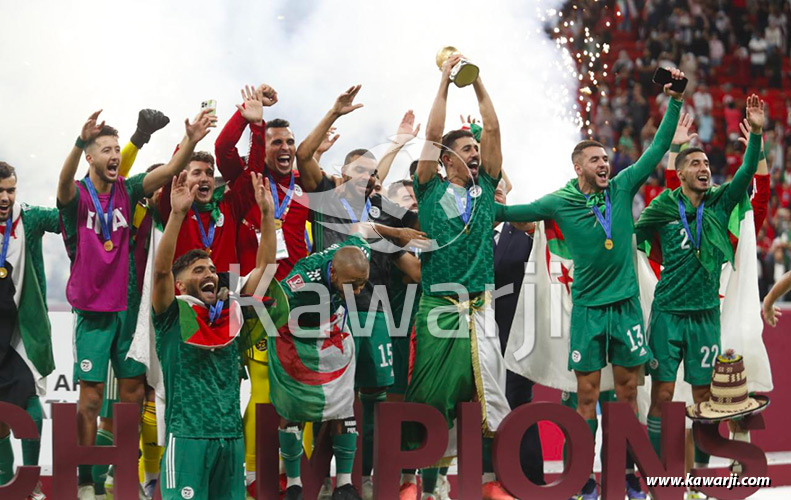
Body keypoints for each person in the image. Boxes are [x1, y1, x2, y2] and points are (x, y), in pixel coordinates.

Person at [498, 69, 686, 499]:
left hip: (626, 309)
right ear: (578, 166)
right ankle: (581, 481)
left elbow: (657, 150)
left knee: (626, 396)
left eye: (606, 159)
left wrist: (674, 101)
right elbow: (508, 213)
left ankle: (623, 478)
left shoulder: (621, 188)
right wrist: (477, 194)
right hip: (586, 311)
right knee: (584, 398)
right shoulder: (558, 202)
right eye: (596, 160)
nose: (605, 164)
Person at [56, 109, 215, 499]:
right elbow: (62, 184)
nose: (114, 155)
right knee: (91, 398)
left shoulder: (128, 191)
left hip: (128, 310)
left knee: (131, 396)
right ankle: (85, 481)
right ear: (90, 157)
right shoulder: (78, 196)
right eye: (106, 149)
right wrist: (78, 143)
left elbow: (172, 169)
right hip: (93, 311)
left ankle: (123, 472)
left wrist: (192, 139)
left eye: (117, 149)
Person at [295, 87, 423, 500]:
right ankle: (321, 479)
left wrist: (398, 144)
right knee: (332, 398)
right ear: (341, 173)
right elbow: (303, 155)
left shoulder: (381, 209)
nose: (367, 177)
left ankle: (363, 478)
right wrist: (334, 112)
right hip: (333, 311)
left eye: (371, 174)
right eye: (358, 171)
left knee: (374, 399)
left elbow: (407, 246)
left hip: (375, 313)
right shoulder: (326, 199)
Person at [407, 53, 512, 500]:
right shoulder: (429, 188)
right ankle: (413, 482)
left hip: (481, 306)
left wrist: (477, 80)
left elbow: (493, 129)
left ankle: (489, 483)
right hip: (438, 306)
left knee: (487, 399)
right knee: (428, 399)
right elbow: (432, 135)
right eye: (467, 149)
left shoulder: (484, 189)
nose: (475, 154)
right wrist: (445, 83)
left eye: (476, 149)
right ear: (447, 158)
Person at [151, 168, 276, 500]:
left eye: (211, 269)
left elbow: (265, 272)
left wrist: (267, 216)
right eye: (198, 270)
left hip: (231, 439)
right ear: (180, 285)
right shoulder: (172, 313)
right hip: (187, 438)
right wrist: (177, 214)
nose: (210, 274)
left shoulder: (230, 312)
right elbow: (161, 271)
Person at [268, 233, 372, 500]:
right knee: (292, 409)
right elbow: (274, 304)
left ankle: (345, 485)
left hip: (333, 331)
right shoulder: (302, 279)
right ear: (333, 273)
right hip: (295, 336)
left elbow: (365, 231)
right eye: (352, 285)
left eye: (362, 284)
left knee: (344, 404)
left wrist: (399, 232)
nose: (358, 292)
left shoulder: (359, 252)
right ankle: (294, 484)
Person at [158, 89, 270, 274]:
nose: (204, 178)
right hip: (185, 291)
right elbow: (172, 170)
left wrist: (257, 125)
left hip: (228, 290)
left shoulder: (229, 206)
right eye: (197, 173)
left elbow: (253, 174)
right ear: (184, 178)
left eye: (209, 173)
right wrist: (189, 140)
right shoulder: (174, 207)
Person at [0, 162, 59, 500]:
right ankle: (6, 481)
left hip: (23, 330)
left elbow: (67, 215)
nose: (6, 198)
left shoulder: (30, 218)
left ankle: (31, 480)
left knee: (29, 403)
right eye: (0, 191)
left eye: (11, 190)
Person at [492, 182, 544, 486]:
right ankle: (489, 479)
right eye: (491, 188)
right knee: (481, 410)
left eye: (501, 189)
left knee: (518, 406)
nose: (496, 191)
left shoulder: (527, 233)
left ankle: (531, 481)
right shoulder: (467, 235)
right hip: (475, 337)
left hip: (518, 339)